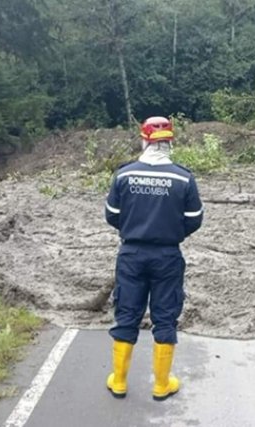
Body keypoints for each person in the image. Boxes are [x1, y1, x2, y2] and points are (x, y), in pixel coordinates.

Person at [104, 116, 204, 401]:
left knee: (126, 314)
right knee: (165, 316)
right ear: (170, 141)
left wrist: (133, 228)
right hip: (167, 256)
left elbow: (111, 214)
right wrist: (171, 233)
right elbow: (194, 220)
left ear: (144, 139)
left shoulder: (124, 175)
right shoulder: (183, 177)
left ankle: (119, 381)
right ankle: (161, 385)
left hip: (132, 254)